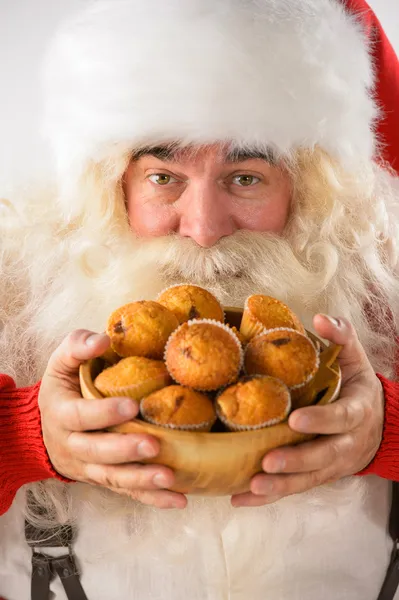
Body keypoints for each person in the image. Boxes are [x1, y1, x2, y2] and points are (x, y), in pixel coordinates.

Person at [1, 0, 399, 598]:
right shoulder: (12, 285)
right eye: (165, 177)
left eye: (246, 178)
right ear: (110, 187)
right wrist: (23, 438)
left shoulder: (386, 283)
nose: (205, 228)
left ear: (312, 190)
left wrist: (387, 431)